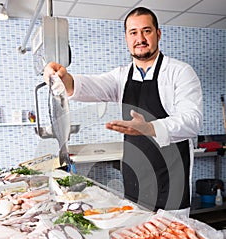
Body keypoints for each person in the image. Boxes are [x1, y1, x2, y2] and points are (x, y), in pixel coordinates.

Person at [43, 7, 203, 213]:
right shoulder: (121, 76)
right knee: (134, 238)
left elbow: (193, 121)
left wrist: (149, 128)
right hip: (135, 178)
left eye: (147, 31)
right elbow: (89, 86)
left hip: (171, 178)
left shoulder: (180, 72)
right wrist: (64, 78)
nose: (140, 38)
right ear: (127, 38)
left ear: (158, 34)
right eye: (133, 32)